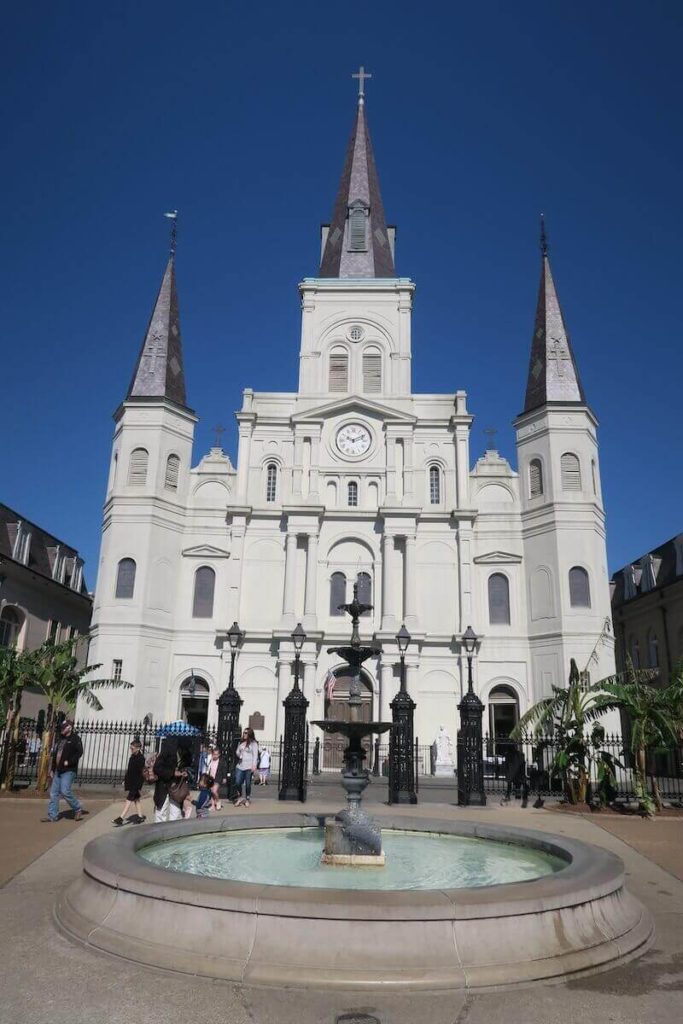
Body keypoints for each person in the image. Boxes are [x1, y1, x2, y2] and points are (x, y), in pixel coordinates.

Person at [42, 719, 84, 823]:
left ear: (69, 727)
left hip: (69, 770)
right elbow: (55, 755)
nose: (62, 729)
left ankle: (77, 808)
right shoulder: (60, 739)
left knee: (65, 791)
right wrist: (52, 769)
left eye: (64, 727)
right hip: (58, 770)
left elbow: (79, 752)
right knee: (54, 793)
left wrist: (69, 762)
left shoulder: (75, 739)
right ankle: (53, 815)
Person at [152, 736, 187, 823]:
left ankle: (172, 833)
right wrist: (172, 773)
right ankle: (159, 833)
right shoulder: (167, 750)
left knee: (176, 813)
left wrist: (184, 773)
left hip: (177, 788)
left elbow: (187, 767)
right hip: (164, 787)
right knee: (161, 812)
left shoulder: (184, 753)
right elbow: (157, 768)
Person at [112, 739, 146, 826]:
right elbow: (129, 771)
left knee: (129, 798)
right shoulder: (132, 757)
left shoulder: (141, 759)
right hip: (131, 781)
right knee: (136, 799)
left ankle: (121, 818)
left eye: (132, 748)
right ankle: (140, 816)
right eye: (130, 748)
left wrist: (137, 784)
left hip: (137, 782)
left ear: (138, 748)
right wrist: (125, 780)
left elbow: (140, 773)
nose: (131, 749)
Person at [234, 728, 259, 807]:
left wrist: (254, 765)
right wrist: (239, 754)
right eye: (244, 733)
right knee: (238, 782)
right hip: (240, 765)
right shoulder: (241, 742)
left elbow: (255, 755)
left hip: (249, 766)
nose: (244, 734)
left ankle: (247, 798)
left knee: (248, 783)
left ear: (250, 734)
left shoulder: (253, 744)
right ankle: (240, 797)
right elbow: (237, 752)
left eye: (246, 733)